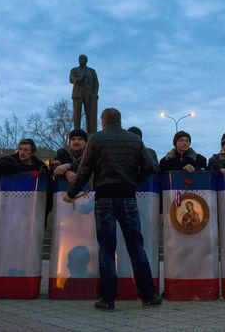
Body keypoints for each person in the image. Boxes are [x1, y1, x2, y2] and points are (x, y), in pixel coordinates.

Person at [62, 107, 161, 310]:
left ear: (103, 121)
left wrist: (71, 193)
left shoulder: (96, 139)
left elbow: (84, 170)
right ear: (120, 120)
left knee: (107, 249)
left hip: (105, 198)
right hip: (128, 198)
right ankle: (149, 295)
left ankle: (107, 299)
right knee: (136, 247)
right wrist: (134, 181)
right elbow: (151, 166)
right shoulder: (135, 140)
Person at [70, 54, 99, 134]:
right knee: (77, 114)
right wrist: (80, 78)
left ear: (86, 60)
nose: (81, 60)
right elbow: (71, 79)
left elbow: (96, 84)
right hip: (77, 94)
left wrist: (95, 93)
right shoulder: (74, 70)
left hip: (89, 94)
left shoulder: (92, 71)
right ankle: (77, 133)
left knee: (90, 114)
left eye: (82, 58)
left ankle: (91, 134)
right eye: (80, 58)